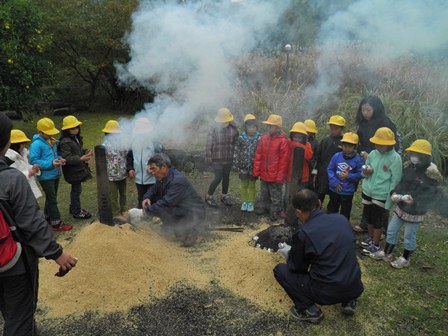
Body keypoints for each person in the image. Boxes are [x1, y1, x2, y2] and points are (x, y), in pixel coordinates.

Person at [0, 113, 78, 336]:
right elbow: (32, 223)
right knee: (19, 316)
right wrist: (56, 253)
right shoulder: (11, 179)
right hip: (13, 262)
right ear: (6, 142)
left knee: (10, 310)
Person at [274, 189, 364, 323]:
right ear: (320, 203)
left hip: (325, 293)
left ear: (298, 212)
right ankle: (349, 300)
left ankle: (310, 310)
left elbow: (297, 268)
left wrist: (290, 254)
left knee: (280, 270)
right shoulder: (342, 219)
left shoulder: (304, 233)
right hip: (355, 285)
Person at [369, 139, 443, 268]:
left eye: (416, 154)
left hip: (415, 211)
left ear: (425, 156)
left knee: (409, 236)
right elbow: (402, 182)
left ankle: (405, 258)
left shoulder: (431, 174)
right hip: (401, 207)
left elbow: (431, 196)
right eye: (412, 153)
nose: (413, 156)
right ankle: (387, 252)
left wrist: (415, 200)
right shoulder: (409, 166)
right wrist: (394, 192)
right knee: (391, 230)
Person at [354, 95, 403, 233]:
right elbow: (360, 143)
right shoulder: (363, 123)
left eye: (368, 110)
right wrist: (363, 153)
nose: (365, 113)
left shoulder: (385, 123)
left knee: (381, 197)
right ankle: (366, 224)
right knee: (368, 194)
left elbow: (396, 144)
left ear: (376, 109)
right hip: (370, 161)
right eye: (363, 110)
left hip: (385, 163)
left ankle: (381, 228)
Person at [142, 153, 205, 247]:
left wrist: (146, 211)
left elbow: (166, 203)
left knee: (165, 209)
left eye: (154, 169)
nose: (152, 172)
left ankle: (192, 231)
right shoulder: (164, 176)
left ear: (164, 167)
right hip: (180, 207)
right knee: (160, 205)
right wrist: (147, 197)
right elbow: (154, 188)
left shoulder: (177, 181)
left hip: (193, 212)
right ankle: (173, 227)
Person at [360, 127, 402, 255]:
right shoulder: (373, 153)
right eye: (376, 143)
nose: (378, 146)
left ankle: (376, 244)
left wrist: (390, 198)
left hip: (382, 194)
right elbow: (366, 169)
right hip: (368, 190)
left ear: (389, 144)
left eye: (381, 144)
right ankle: (370, 238)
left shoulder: (395, 158)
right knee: (368, 216)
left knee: (378, 220)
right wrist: (366, 171)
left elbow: (395, 180)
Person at [29, 117, 72, 231]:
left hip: (55, 174)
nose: (50, 135)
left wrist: (60, 159)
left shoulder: (51, 141)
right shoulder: (36, 144)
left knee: (51, 197)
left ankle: (47, 217)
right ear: (40, 132)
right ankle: (56, 223)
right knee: (52, 200)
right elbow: (34, 161)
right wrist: (51, 163)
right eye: (48, 133)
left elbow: (54, 156)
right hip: (45, 177)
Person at [253, 114, 289, 222]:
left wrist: (280, 177)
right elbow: (258, 155)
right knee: (264, 194)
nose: (268, 128)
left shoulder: (283, 141)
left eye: (271, 126)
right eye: (268, 126)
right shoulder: (263, 139)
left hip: (275, 176)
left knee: (275, 197)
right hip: (264, 174)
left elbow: (284, 161)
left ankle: (274, 213)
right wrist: (256, 171)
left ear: (278, 128)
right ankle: (265, 209)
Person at [58, 116, 93, 219]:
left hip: (78, 169)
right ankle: (76, 212)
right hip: (72, 171)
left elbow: (78, 150)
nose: (76, 130)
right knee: (76, 190)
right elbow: (67, 158)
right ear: (66, 130)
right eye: (72, 128)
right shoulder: (65, 142)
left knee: (77, 190)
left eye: (77, 127)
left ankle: (73, 207)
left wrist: (86, 151)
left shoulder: (75, 139)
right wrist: (80, 159)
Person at [127, 117, 164, 209]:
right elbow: (129, 157)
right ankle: (141, 215)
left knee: (153, 197)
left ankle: (153, 216)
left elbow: (161, 157)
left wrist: (153, 167)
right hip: (139, 177)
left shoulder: (154, 142)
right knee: (141, 198)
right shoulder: (133, 142)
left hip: (152, 177)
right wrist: (130, 168)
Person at [205, 107, 239, 207]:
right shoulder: (213, 129)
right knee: (218, 178)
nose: (224, 123)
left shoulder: (234, 130)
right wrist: (208, 157)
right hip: (217, 159)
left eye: (226, 121)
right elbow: (208, 144)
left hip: (229, 158)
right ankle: (209, 196)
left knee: (226, 178)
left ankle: (224, 196)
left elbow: (237, 145)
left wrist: (236, 158)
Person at [326, 132, 364, 220]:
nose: (347, 148)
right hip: (334, 189)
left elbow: (361, 174)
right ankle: (329, 225)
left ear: (355, 147)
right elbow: (330, 169)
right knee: (332, 209)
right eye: (345, 146)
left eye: (350, 146)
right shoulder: (337, 156)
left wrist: (349, 176)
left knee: (345, 212)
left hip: (347, 191)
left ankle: (343, 228)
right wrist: (334, 182)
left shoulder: (358, 160)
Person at [311, 115, 345, 205]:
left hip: (336, 176)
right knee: (318, 197)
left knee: (334, 200)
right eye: (332, 128)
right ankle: (316, 214)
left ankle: (331, 215)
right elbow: (318, 157)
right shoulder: (325, 140)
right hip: (322, 174)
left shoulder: (344, 143)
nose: (333, 130)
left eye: (336, 128)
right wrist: (315, 173)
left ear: (342, 128)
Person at [282, 122, 313, 216]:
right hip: (290, 177)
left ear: (304, 138)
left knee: (300, 196)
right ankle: (285, 210)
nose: (297, 139)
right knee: (287, 196)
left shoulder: (307, 145)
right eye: (295, 137)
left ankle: (298, 212)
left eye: (299, 137)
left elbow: (309, 156)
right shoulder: (288, 143)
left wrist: (298, 146)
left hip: (302, 178)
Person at [232, 114, 261, 212]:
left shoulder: (259, 138)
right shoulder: (241, 138)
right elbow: (236, 151)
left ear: (256, 127)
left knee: (252, 185)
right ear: (245, 127)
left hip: (254, 167)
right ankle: (244, 202)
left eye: (254, 127)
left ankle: (251, 202)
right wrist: (236, 164)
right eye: (249, 127)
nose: (251, 129)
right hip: (243, 167)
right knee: (244, 184)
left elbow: (262, 153)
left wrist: (260, 166)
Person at [5, 130, 42, 199]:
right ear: (15, 145)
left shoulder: (22, 153)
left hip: (28, 187)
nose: (24, 146)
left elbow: (24, 167)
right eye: (22, 144)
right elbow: (11, 177)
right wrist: (28, 173)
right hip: (19, 191)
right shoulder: (8, 158)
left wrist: (34, 168)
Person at [102, 120, 128, 217]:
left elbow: (126, 154)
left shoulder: (123, 143)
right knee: (113, 196)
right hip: (111, 175)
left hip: (122, 173)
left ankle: (124, 209)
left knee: (123, 194)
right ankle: (115, 213)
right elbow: (101, 160)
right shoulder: (104, 146)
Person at [304, 119, 318, 189]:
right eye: (307, 132)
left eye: (309, 132)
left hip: (311, 171)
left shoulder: (315, 143)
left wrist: (315, 172)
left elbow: (317, 158)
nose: (308, 134)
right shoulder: (300, 140)